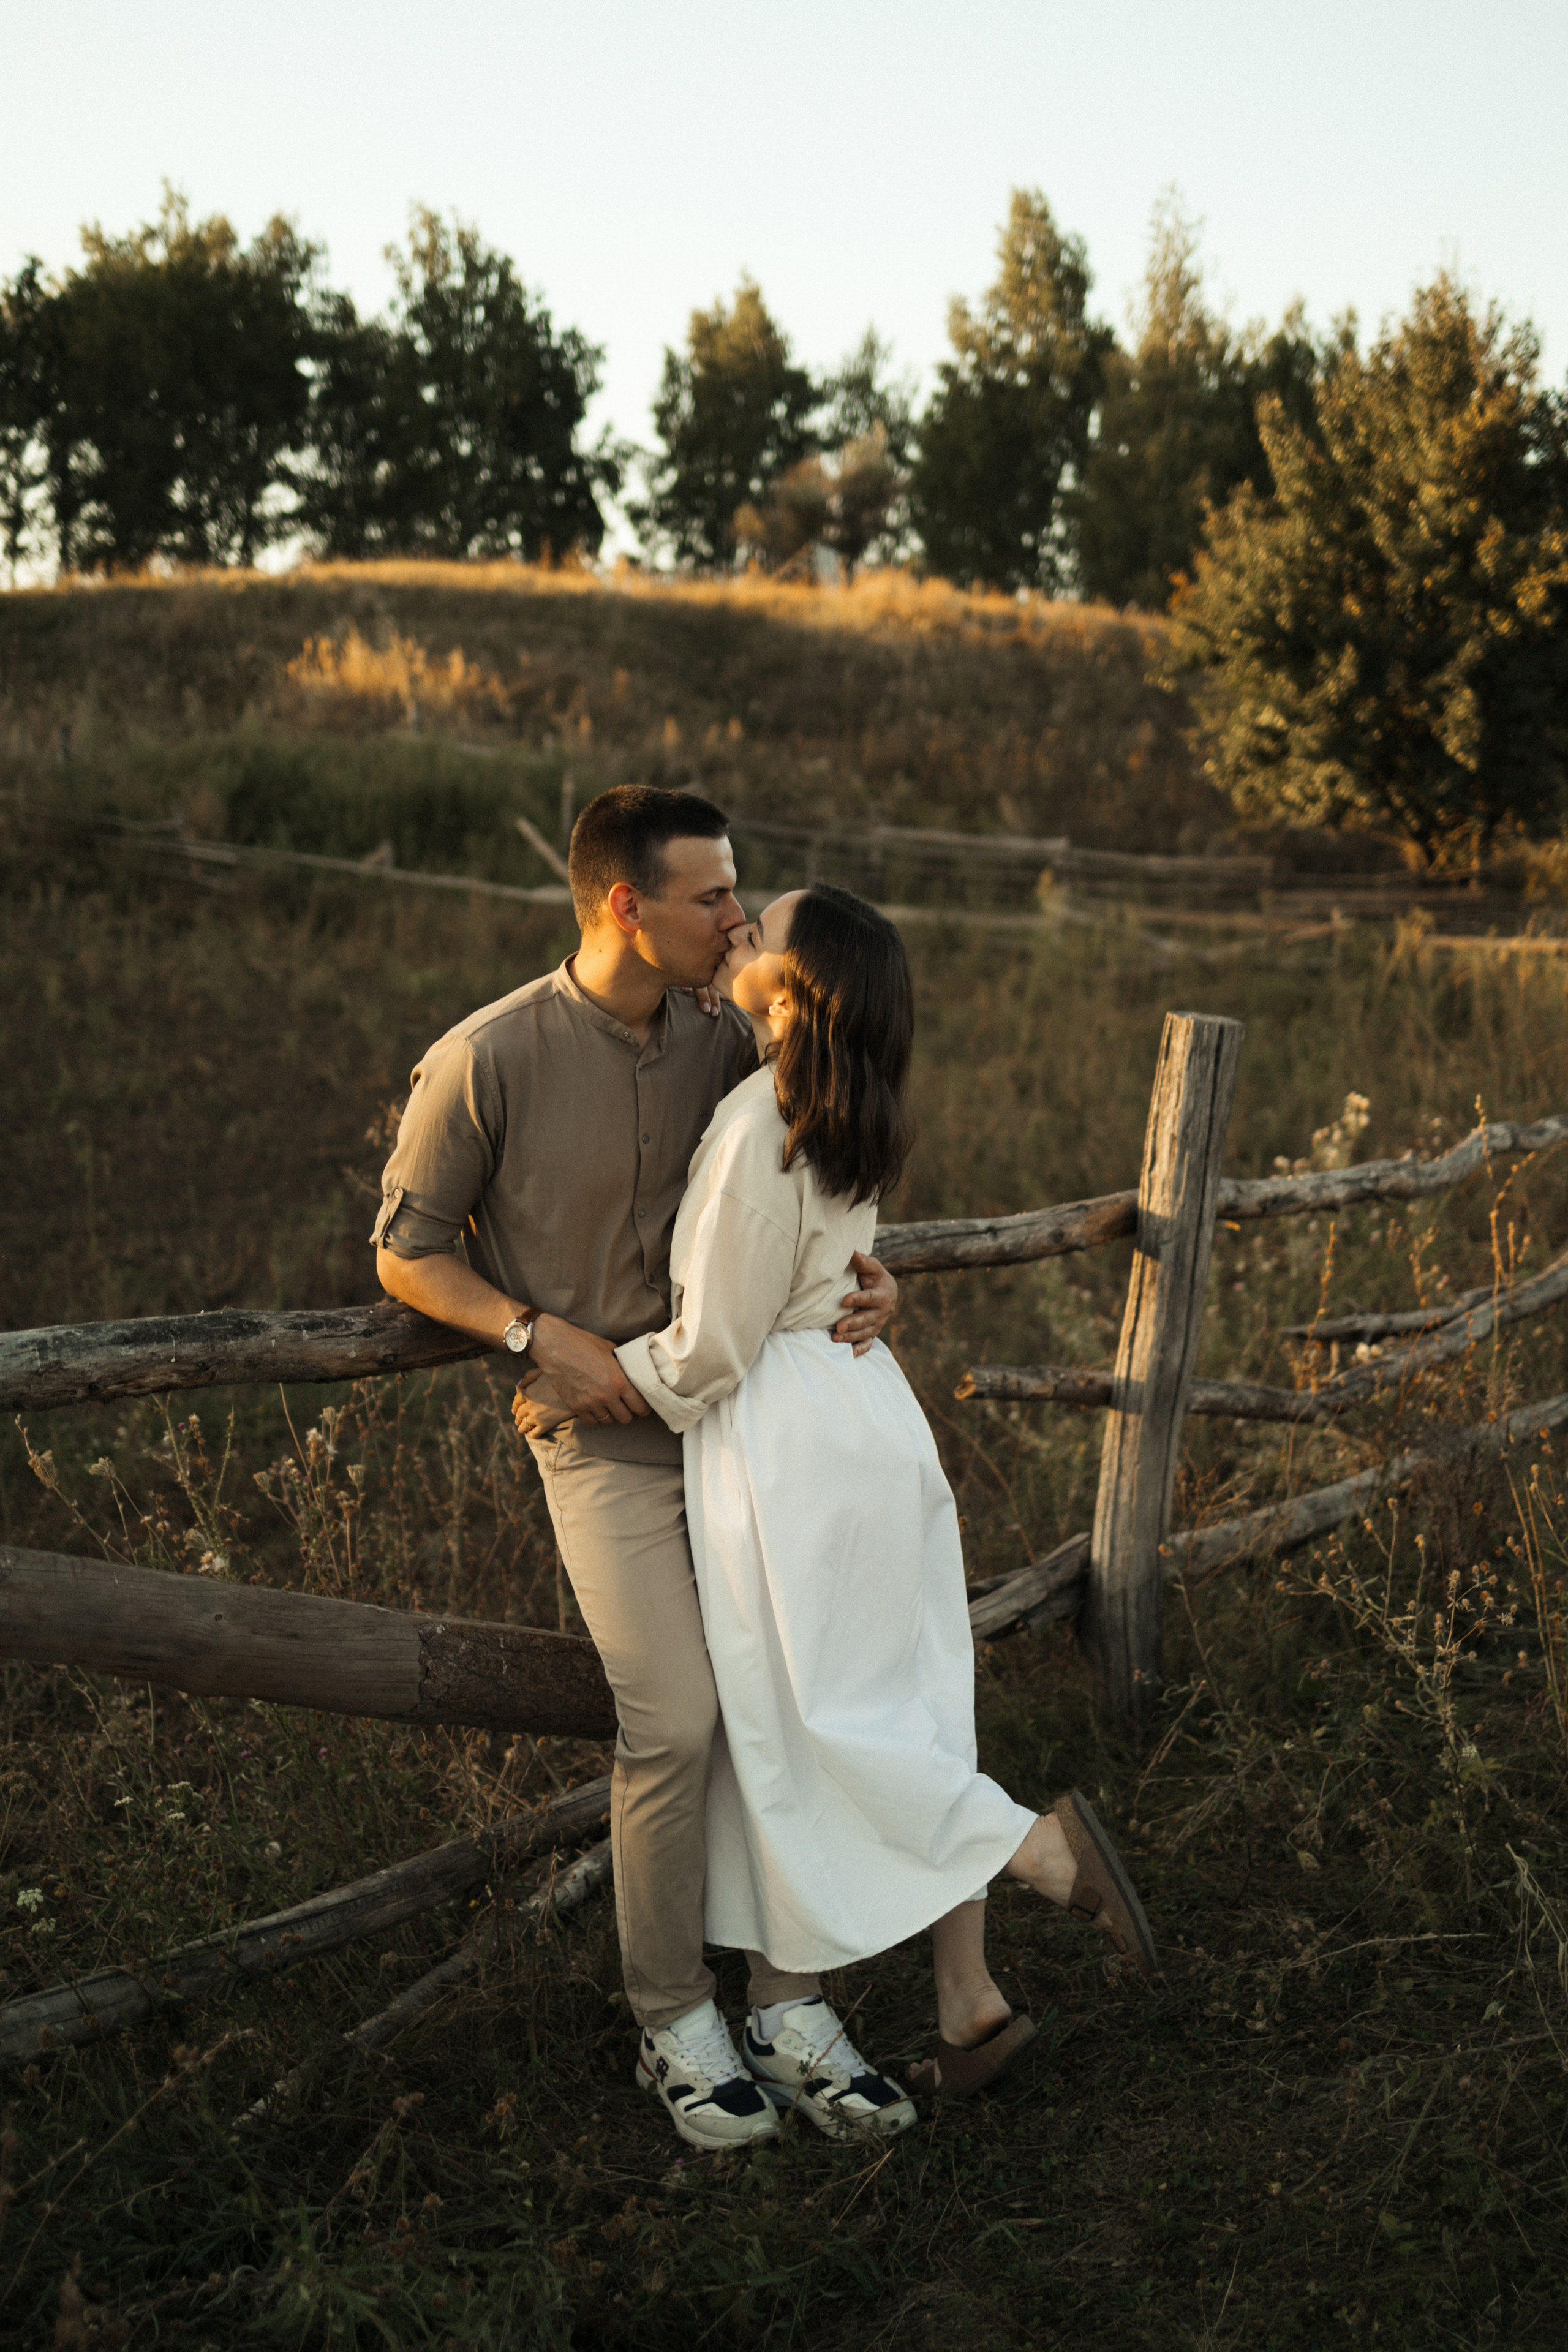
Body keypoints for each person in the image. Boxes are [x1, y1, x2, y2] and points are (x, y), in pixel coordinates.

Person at [520, 884, 1158, 2114]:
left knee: (814, 1722)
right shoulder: (848, 1110)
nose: (736, 932)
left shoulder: (759, 1121)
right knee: (896, 1706)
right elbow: (825, 1274)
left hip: (787, 1440)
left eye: (757, 930)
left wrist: (589, 1378)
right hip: (867, 1418)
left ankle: (1038, 1849)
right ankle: (965, 2006)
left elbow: (711, 1350)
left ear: (794, 990)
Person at [373, 785, 909, 2154]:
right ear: (627, 902)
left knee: (782, 1707)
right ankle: (673, 2019)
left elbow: (812, 1160)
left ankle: (791, 2005)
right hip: (605, 1442)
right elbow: (404, 1246)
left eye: (738, 894)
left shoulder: (728, 1037)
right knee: (673, 1721)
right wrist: (525, 1327)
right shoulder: (485, 1057)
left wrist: (871, 1275)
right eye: (712, 896)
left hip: (745, 1434)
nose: (736, 918)